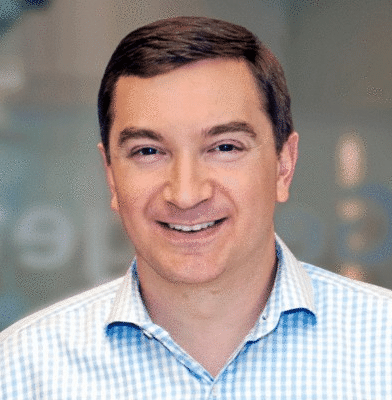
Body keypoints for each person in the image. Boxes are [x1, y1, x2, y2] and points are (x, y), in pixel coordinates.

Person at [1, 16, 391, 399]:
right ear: (110, 175)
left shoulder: (382, 349)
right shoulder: (22, 371)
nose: (186, 194)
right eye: (148, 151)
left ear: (283, 166)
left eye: (225, 147)